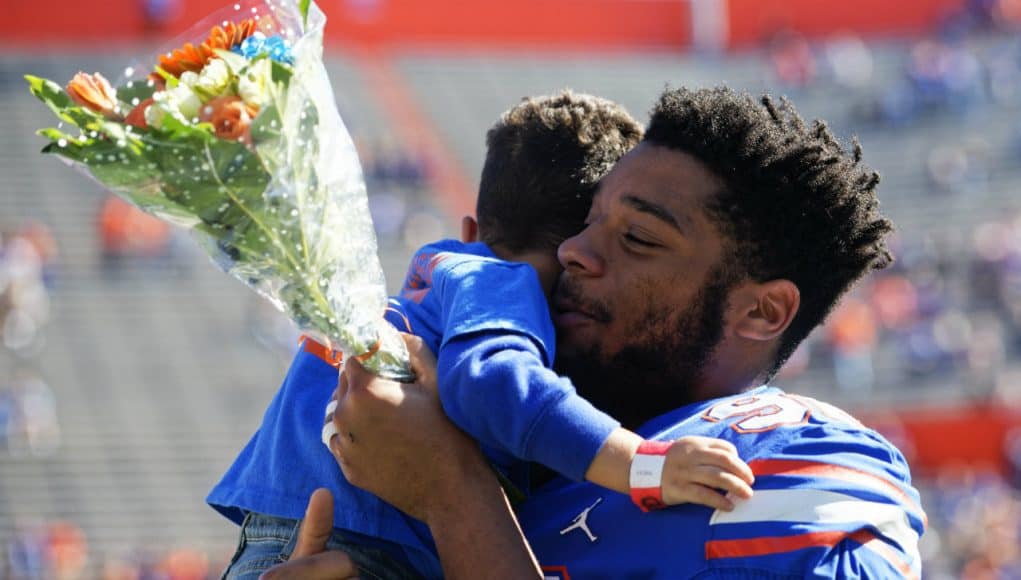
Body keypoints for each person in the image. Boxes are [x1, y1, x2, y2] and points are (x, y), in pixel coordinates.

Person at [272, 86, 927, 579]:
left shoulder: (802, 465)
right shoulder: (518, 438)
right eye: (582, 223)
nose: (573, 253)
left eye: (636, 238)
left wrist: (452, 491)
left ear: (760, 311)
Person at [212, 90, 753, 580]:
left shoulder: (438, 279)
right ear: (578, 255)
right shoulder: (500, 281)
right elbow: (494, 384)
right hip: (358, 545)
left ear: (471, 229)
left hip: (285, 538)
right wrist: (643, 463)